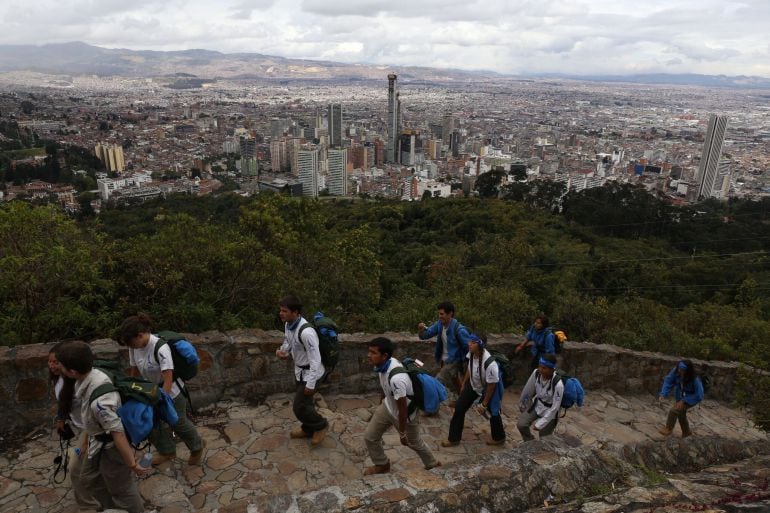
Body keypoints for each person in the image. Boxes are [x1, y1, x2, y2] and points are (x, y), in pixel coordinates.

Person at [55, 341, 151, 513]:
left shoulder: (100, 402)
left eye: (60, 365)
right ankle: (112, 509)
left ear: (72, 371)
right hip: (97, 440)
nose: (57, 367)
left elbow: (117, 432)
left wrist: (132, 464)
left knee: (121, 489)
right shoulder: (90, 376)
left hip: (111, 447)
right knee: (89, 479)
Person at [117, 314, 206, 466]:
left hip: (171, 393)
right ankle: (167, 451)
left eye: (131, 343)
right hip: (149, 391)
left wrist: (163, 402)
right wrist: (132, 389)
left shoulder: (161, 348)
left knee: (178, 423)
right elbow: (134, 370)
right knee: (150, 424)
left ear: (140, 335)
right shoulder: (134, 347)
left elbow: (168, 379)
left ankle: (197, 447)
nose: (130, 347)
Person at [363, 337, 441, 475]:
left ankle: (433, 464)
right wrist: (382, 402)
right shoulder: (382, 365)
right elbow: (384, 385)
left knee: (414, 442)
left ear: (384, 355)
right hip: (388, 407)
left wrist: (402, 432)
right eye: (369, 351)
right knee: (370, 436)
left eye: (373, 353)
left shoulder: (397, 379)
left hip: (405, 415)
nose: (369, 355)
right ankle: (382, 464)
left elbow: (403, 408)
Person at [49, 342, 101, 511]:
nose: (52, 366)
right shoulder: (59, 379)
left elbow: (92, 417)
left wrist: (85, 441)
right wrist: (61, 418)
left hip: (92, 430)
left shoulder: (81, 383)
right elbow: (63, 401)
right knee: (93, 467)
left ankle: (88, 506)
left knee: (75, 470)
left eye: (56, 362)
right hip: (83, 428)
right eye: (49, 362)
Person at [275, 295, 329, 445]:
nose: (281, 313)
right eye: (281, 310)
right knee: (306, 404)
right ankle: (308, 428)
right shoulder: (288, 324)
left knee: (298, 407)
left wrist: (311, 384)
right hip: (299, 371)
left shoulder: (307, 333)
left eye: (284, 311)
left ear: (296, 312)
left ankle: (321, 425)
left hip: (312, 374)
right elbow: (288, 341)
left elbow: (316, 360)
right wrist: (283, 351)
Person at [442, 333, 506, 447]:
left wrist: (485, 403)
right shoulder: (472, 353)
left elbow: (492, 386)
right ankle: (453, 438)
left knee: (493, 412)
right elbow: (470, 368)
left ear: (480, 345)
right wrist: (464, 384)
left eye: (473, 342)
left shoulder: (490, 364)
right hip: (473, 385)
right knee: (459, 408)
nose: (469, 344)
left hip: (487, 388)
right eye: (469, 341)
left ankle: (499, 437)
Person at [418, 301, 471, 394]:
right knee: (455, 380)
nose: (439, 316)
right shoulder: (440, 324)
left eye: (442, 314)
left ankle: (432, 403)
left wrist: (468, 366)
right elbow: (425, 335)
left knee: (438, 380)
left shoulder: (459, 330)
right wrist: (421, 330)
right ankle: (462, 398)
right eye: (439, 313)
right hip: (444, 360)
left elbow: (470, 348)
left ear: (450, 313)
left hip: (454, 361)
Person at [516, 354, 563, 441]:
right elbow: (528, 390)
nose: (541, 370)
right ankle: (529, 441)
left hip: (550, 411)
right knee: (521, 424)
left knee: (544, 436)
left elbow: (555, 408)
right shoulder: (536, 373)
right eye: (540, 366)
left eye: (544, 368)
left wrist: (540, 424)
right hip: (538, 405)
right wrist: (523, 404)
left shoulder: (558, 384)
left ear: (552, 369)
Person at [658, 359, 704, 438]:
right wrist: (663, 394)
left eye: (682, 370)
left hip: (691, 398)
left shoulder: (695, 379)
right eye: (679, 368)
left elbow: (699, 395)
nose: (679, 371)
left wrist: (684, 401)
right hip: (680, 395)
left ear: (687, 371)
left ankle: (668, 428)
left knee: (674, 410)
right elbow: (669, 381)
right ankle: (686, 433)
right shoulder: (676, 371)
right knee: (681, 414)